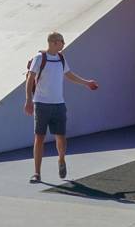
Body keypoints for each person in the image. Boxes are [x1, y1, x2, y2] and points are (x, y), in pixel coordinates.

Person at [24, 32, 99, 183]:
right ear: (53, 42)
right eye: (61, 41)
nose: (63, 44)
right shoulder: (39, 58)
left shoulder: (61, 58)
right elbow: (30, 79)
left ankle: (61, 159)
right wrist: (28, 100)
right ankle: (37, 173)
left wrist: (86, 83)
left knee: (61, 137)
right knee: (39, 138)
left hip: (59, 104)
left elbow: (69, 74)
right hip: (41, 104)